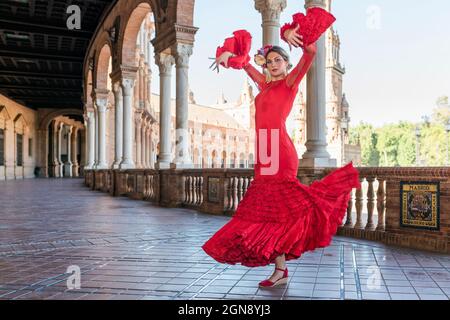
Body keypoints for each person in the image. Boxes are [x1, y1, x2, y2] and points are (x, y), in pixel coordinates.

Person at [202, 11, 361, 289]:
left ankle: (282, 267)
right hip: (264, 152)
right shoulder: (263, 84)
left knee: (281, 209)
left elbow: (310, 53)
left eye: (279, 60)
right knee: (269, 212)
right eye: (270, 60)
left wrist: (290, 34)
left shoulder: (289, 83)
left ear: (286, 64)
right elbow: (243, 66)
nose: (274, 64)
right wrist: (227, 57)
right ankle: (281, 269)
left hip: (280, 151)